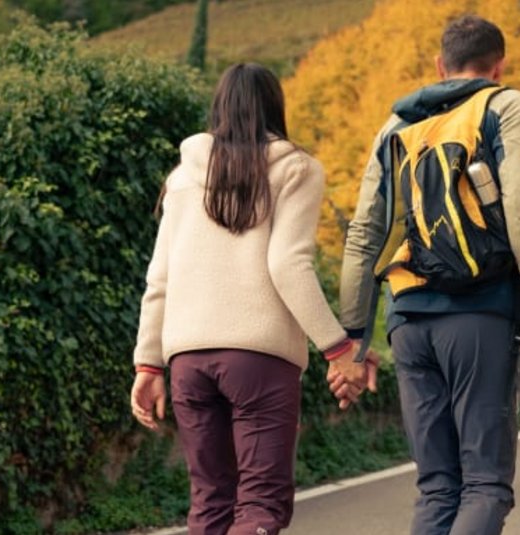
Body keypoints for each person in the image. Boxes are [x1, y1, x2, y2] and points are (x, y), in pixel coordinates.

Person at [333, 15, 520, 535]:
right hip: (479, 314)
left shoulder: (396, 125)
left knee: (438, 486)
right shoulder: (504, 105)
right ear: (499, 65)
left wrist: (353, 336)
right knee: (485, 485)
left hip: (407, 322)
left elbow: (364, 234)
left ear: (440, 66)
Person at [128, 63, 377, 535]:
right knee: (260, 508)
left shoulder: (183, 177)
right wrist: (338, 350)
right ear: (274, 108)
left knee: (210, 506)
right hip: (258, 359)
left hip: (187, 362)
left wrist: (147, 365)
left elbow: (158, 277)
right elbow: (288, 264)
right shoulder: (297, 168)